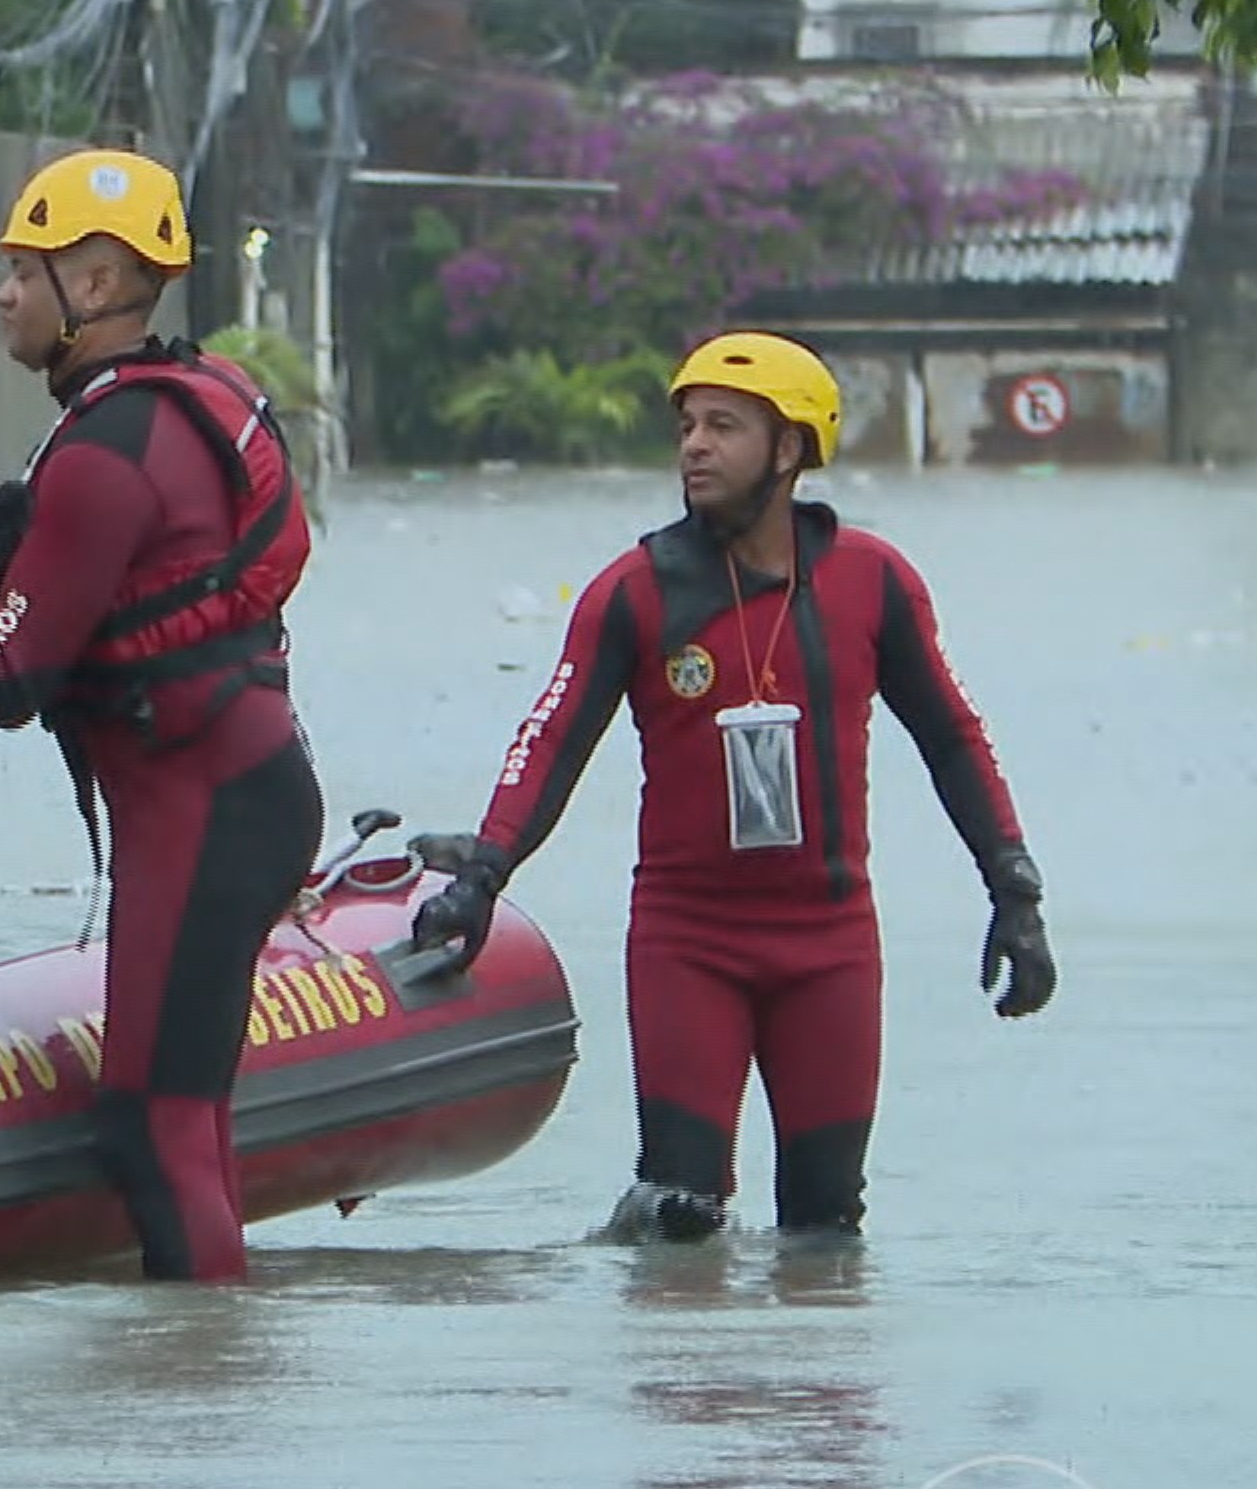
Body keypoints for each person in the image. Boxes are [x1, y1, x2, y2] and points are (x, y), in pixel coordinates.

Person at [409, 331, 1058, 1241]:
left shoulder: (873, 583)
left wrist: (1014, 891)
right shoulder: (635, 593)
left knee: (826, 1232)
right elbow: (551, 741)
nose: (695, 447)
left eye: (723, 426)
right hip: (689, 941)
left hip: (830, 945)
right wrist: (483, 876)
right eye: (687, 427)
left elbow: (953, 739)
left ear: (789, 448)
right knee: (682, 1219)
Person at [0, 149, 324, 1285]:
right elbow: (69, 627)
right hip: (240, 791)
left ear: (93, 281)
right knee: (182, 1110)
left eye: (22, 272)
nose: (2, 295)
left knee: (151, 1123)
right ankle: (217, 1358)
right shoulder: (153, 412)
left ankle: (195, 1373)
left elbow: (12, 678)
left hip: (206, 808)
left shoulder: (103, 447)